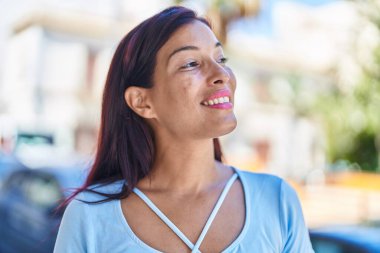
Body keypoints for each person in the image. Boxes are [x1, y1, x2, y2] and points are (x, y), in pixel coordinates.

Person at [54, 6, 314, 253]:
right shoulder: (89, 217)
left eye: (220, 58)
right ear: (142, 102)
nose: (221, 73)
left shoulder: (277, 201)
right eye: (191, 63)